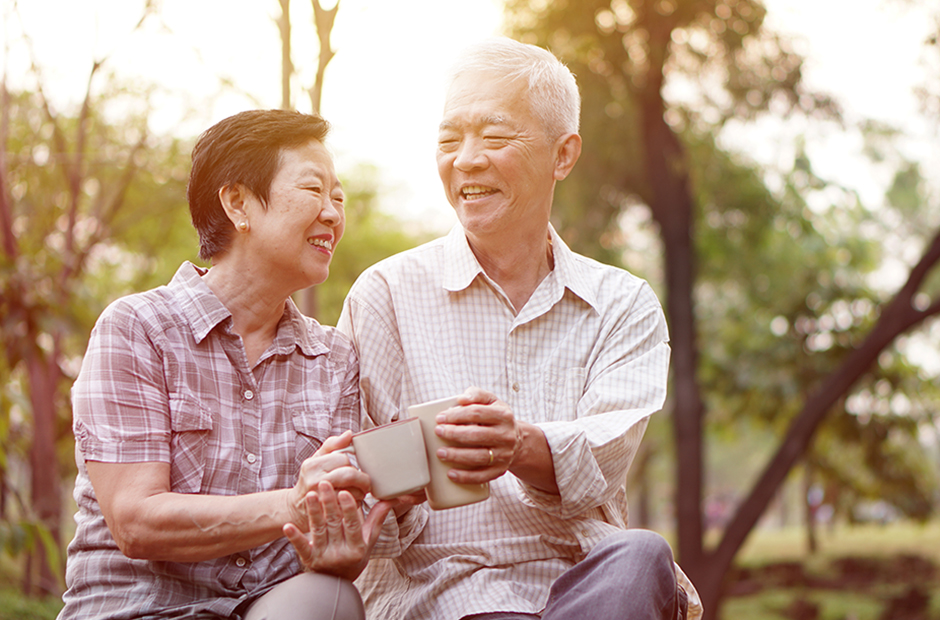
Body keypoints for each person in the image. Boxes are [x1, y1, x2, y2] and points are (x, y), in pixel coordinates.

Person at [337, 38, 703, 620]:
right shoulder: (384, 295)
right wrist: (393, 487)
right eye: (450, 139)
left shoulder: (621, 303)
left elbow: (602, 463)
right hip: (445, 593)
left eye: (495, 135)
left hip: (592, 589)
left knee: (642, 553)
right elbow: (357, 512)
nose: (467, 159)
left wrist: (517, 446)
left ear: (563, 155)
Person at [59, 109, 395, 620]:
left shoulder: (334, 359)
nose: (332, 213)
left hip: (270, 610)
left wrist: (339, 551)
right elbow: (136, 521)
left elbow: (323, 552)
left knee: (333, 598)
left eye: (339, 198)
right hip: (136, 609)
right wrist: (293, 503)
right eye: (313, 191)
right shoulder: (136, 328)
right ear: (238, 202)